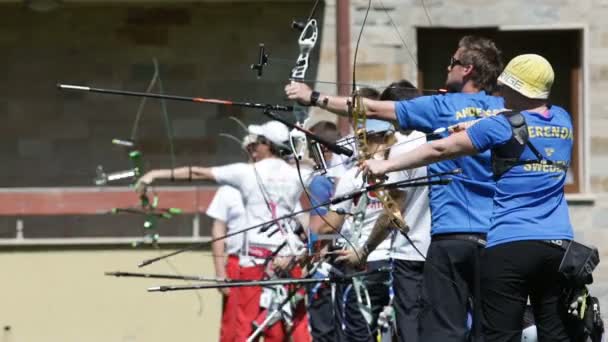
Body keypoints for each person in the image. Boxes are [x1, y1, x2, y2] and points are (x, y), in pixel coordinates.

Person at [286, 36, 505, 341]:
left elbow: (371, 109)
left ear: (467, 69)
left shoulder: (443, 107)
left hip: (450, 238)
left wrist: (313, 97)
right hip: (497, 237)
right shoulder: (505, 109)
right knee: (491, 331)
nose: (447, 66)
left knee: (444, 331)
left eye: (453, 62)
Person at [361, 54, 575, 342]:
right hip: (558, 245)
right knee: (554, 333)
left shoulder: (501, 126)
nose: (501, 93)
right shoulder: (564, 119)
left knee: (499, 335)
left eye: (507, 88)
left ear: (518, 89)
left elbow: (440, 150)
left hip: (509, 243)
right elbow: (525, 118)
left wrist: (384, 165)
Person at [136, 120, 311, 342]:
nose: (254, 147)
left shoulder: (246, 172)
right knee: (287, 326)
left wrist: (155, 174)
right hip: (288, 260)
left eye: (258, 143)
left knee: (245, 325)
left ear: (268, 145)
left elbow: (199, 173)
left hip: (255, 263)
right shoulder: (299, 174)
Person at [206, 135, 253, 342]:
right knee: (234, 330)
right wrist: (219, 272)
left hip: (271, 264)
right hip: (236, 264)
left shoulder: (280, 182)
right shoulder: (228, 189)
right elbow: (218, 230)